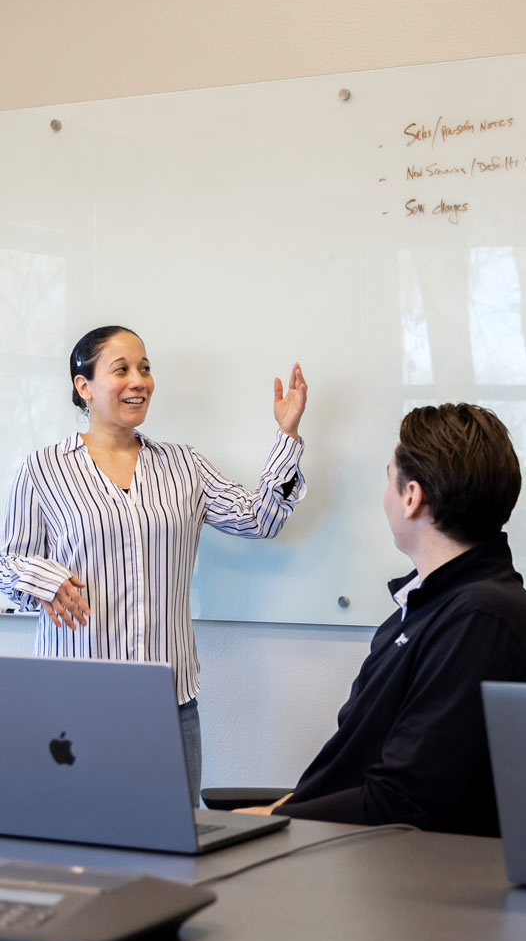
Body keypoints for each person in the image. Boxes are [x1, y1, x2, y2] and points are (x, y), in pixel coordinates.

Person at [0, 325, 307, 804]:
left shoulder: (184, 465)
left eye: (144, 368)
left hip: (170, 702)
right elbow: (8, 562)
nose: (138, 380)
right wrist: (45, 580)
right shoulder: (42, 469)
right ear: (84, 387)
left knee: (172, 853)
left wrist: (286, 436)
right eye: (121, 369)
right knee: (80, 846)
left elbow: (259, 518)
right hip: (76, 701)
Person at [238, 402, 526, 834]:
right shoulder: (428, 606)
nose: (385, 494)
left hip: (373, 861)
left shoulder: (478, 618)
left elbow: (404, 799)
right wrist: (282, 808)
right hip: (341, 842)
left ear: (411, 496)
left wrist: (273, 820)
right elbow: (354, 760)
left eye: (389, 478)